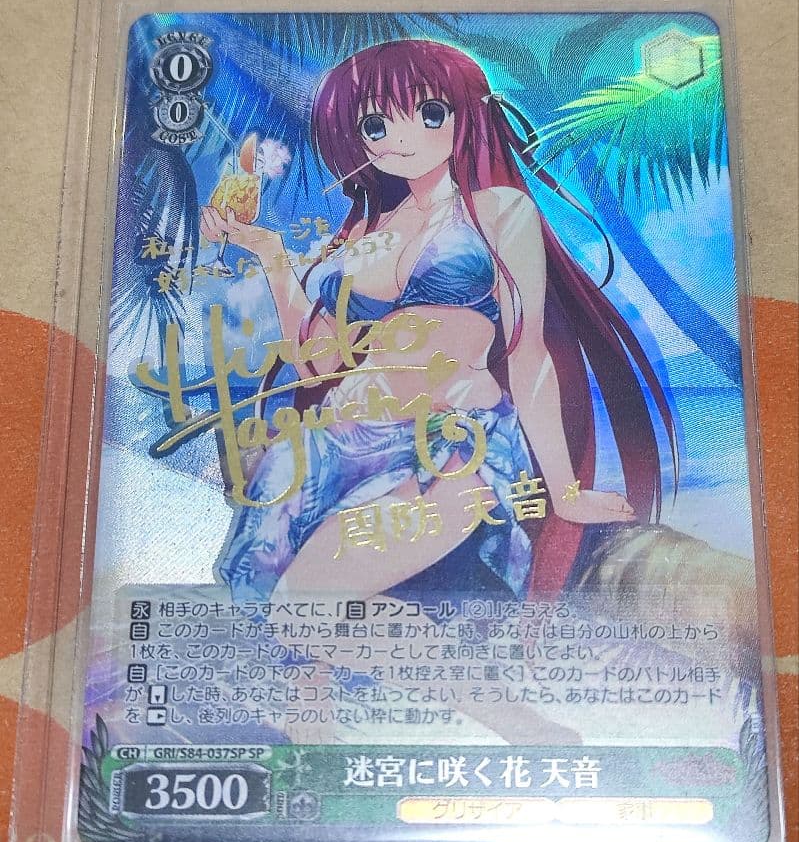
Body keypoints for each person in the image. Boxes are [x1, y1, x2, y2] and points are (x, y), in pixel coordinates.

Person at [200, 39, 676, 608]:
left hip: (451, 444)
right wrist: (271, 255)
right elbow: (320, 362)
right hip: (337, 443)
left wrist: (565, 490)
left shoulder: (499, 210)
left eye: (428, 113)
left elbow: (528, 355)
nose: (400, 138)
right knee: (276, 617)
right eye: (376, 124)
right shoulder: (364, 233)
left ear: (463, 113)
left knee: (301, 605)